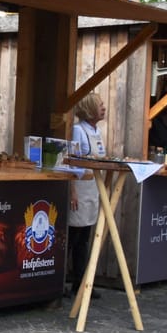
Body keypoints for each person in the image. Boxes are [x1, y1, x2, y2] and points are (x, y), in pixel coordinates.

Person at [67, 92, 106, 299]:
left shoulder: (96, 131)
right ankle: (65, 281)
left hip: (92, 188)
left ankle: (81, 284)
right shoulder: (77, 130)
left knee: (84, 238)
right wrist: (72, 191)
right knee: (73, 238)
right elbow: (72, 161)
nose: (104, 108)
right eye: (100, 105)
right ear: (89, 108)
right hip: (79, 189)